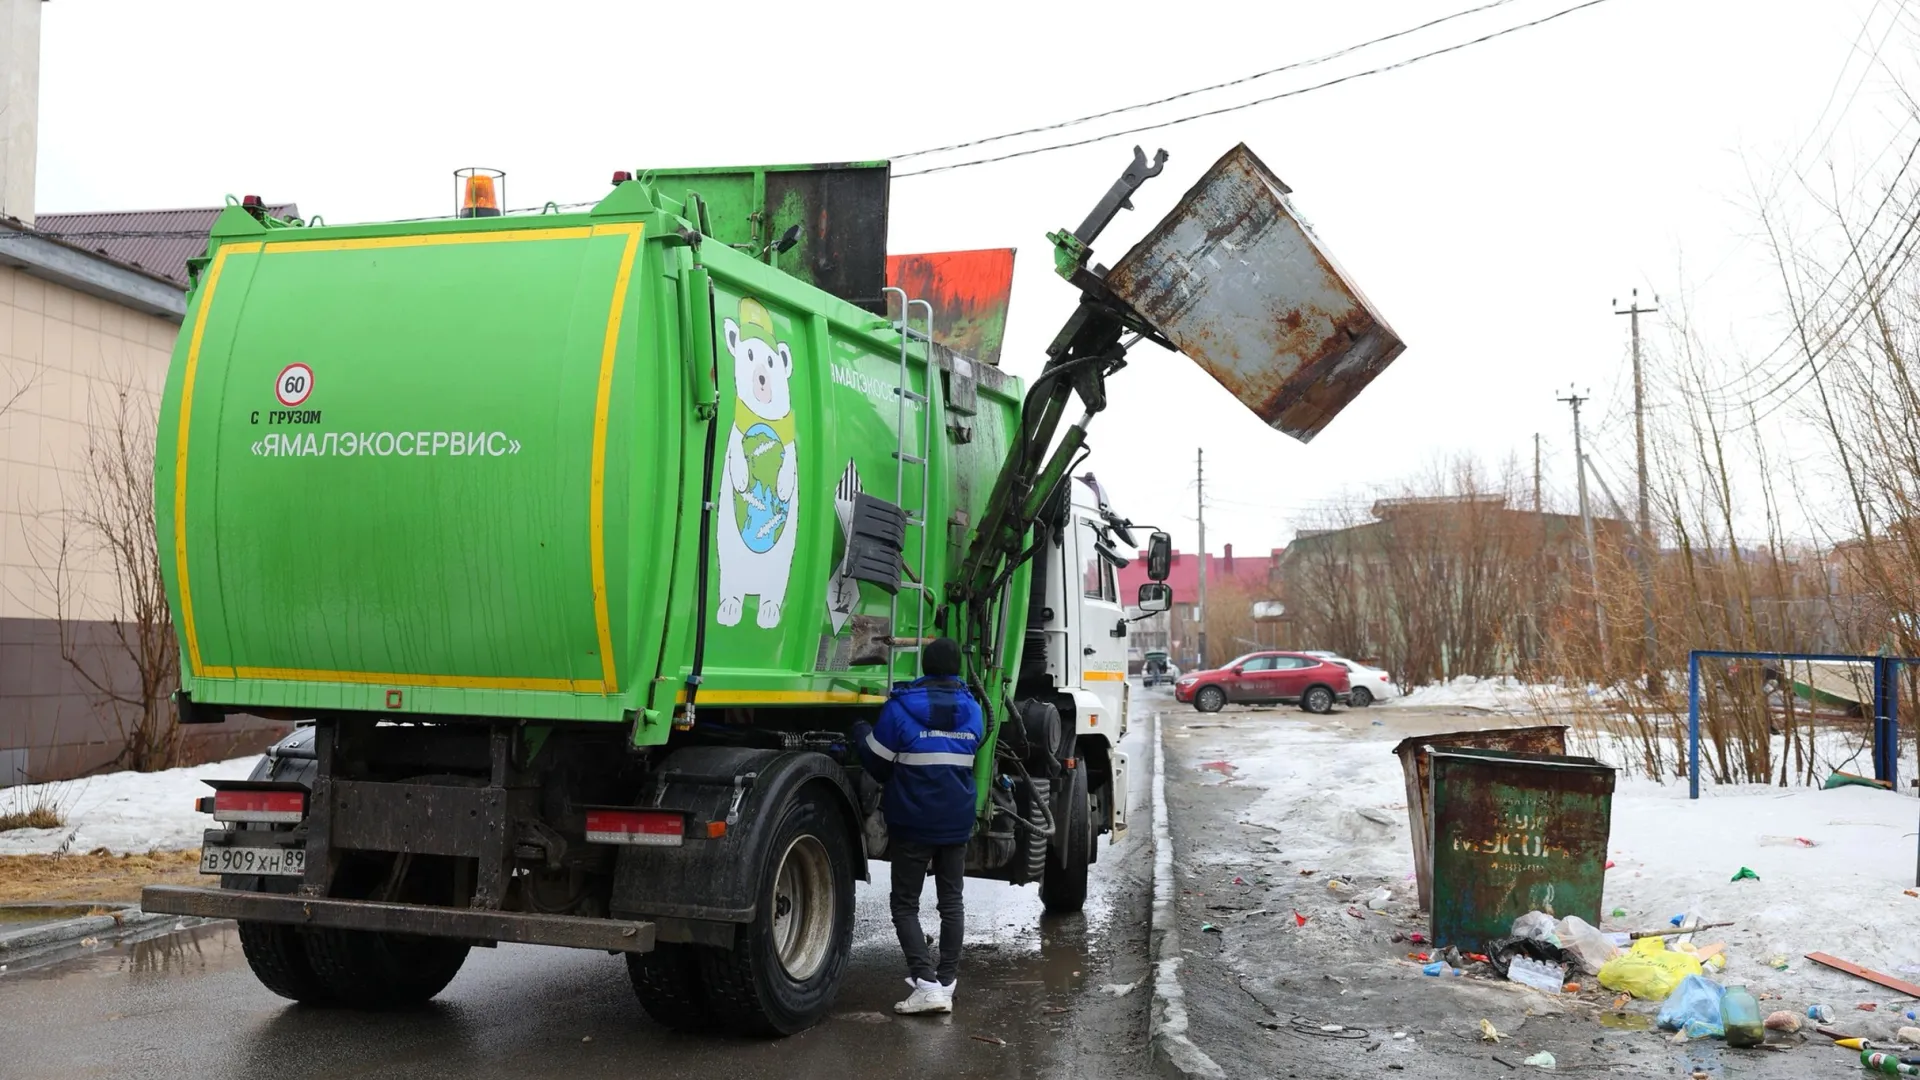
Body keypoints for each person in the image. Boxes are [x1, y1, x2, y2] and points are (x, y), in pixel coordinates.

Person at [852, 636, 983, 1016]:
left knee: (905, 904)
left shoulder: (900, 709)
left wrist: (860, 730)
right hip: (956, 822)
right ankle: (946, 980)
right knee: (951, 902)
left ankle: (926, 984)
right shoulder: (974, 710)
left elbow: (877, 765)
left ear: (924, 666)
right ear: (957, 668)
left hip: (913, 823)